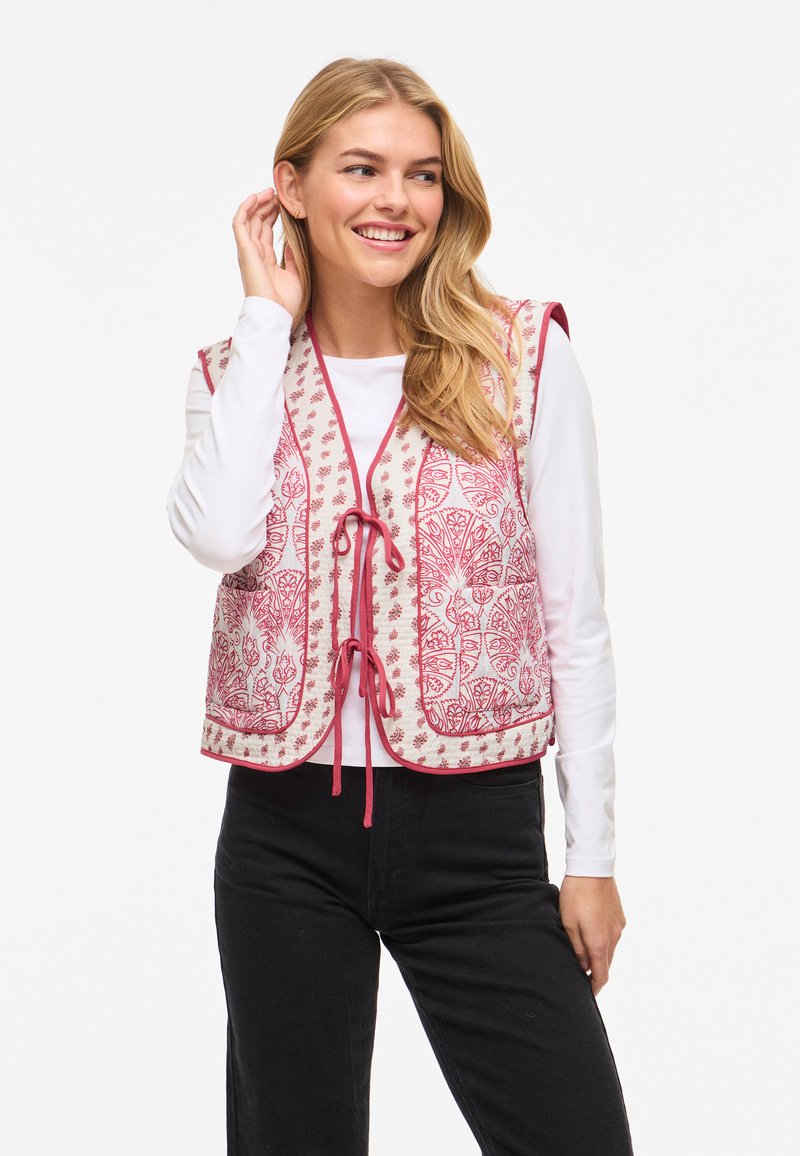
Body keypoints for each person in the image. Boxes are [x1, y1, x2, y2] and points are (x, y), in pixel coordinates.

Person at [166, 56, 634, 1156]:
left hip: (477, 837)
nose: (397, 200)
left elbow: (575, 620)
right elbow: (218, 536)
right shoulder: (235, 370)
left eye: (422, 174)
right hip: (283, 835)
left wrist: (592, 854)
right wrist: (265, 317)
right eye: (361, 169)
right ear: (290, 186)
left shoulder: (521, 354)